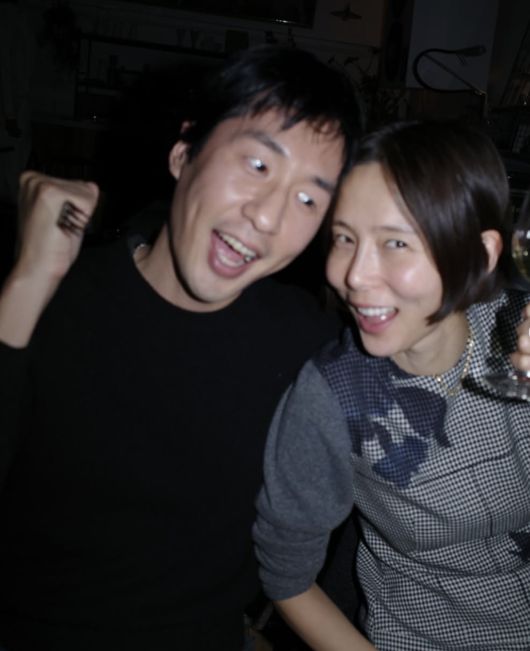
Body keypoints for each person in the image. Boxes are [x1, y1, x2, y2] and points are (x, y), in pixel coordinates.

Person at [0, 45, 362, 651]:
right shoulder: (57, 297)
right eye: (257, 165)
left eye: (308, 199)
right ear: (183, 152)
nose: (268, 217)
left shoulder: (309, 347)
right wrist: (29, 281)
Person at [253, 120, 530, 650]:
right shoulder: (330, 396)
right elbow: (286, 576)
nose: (354, 275)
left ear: (482, 254)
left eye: (395, 242)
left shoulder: (518, 334)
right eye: (344, 238)